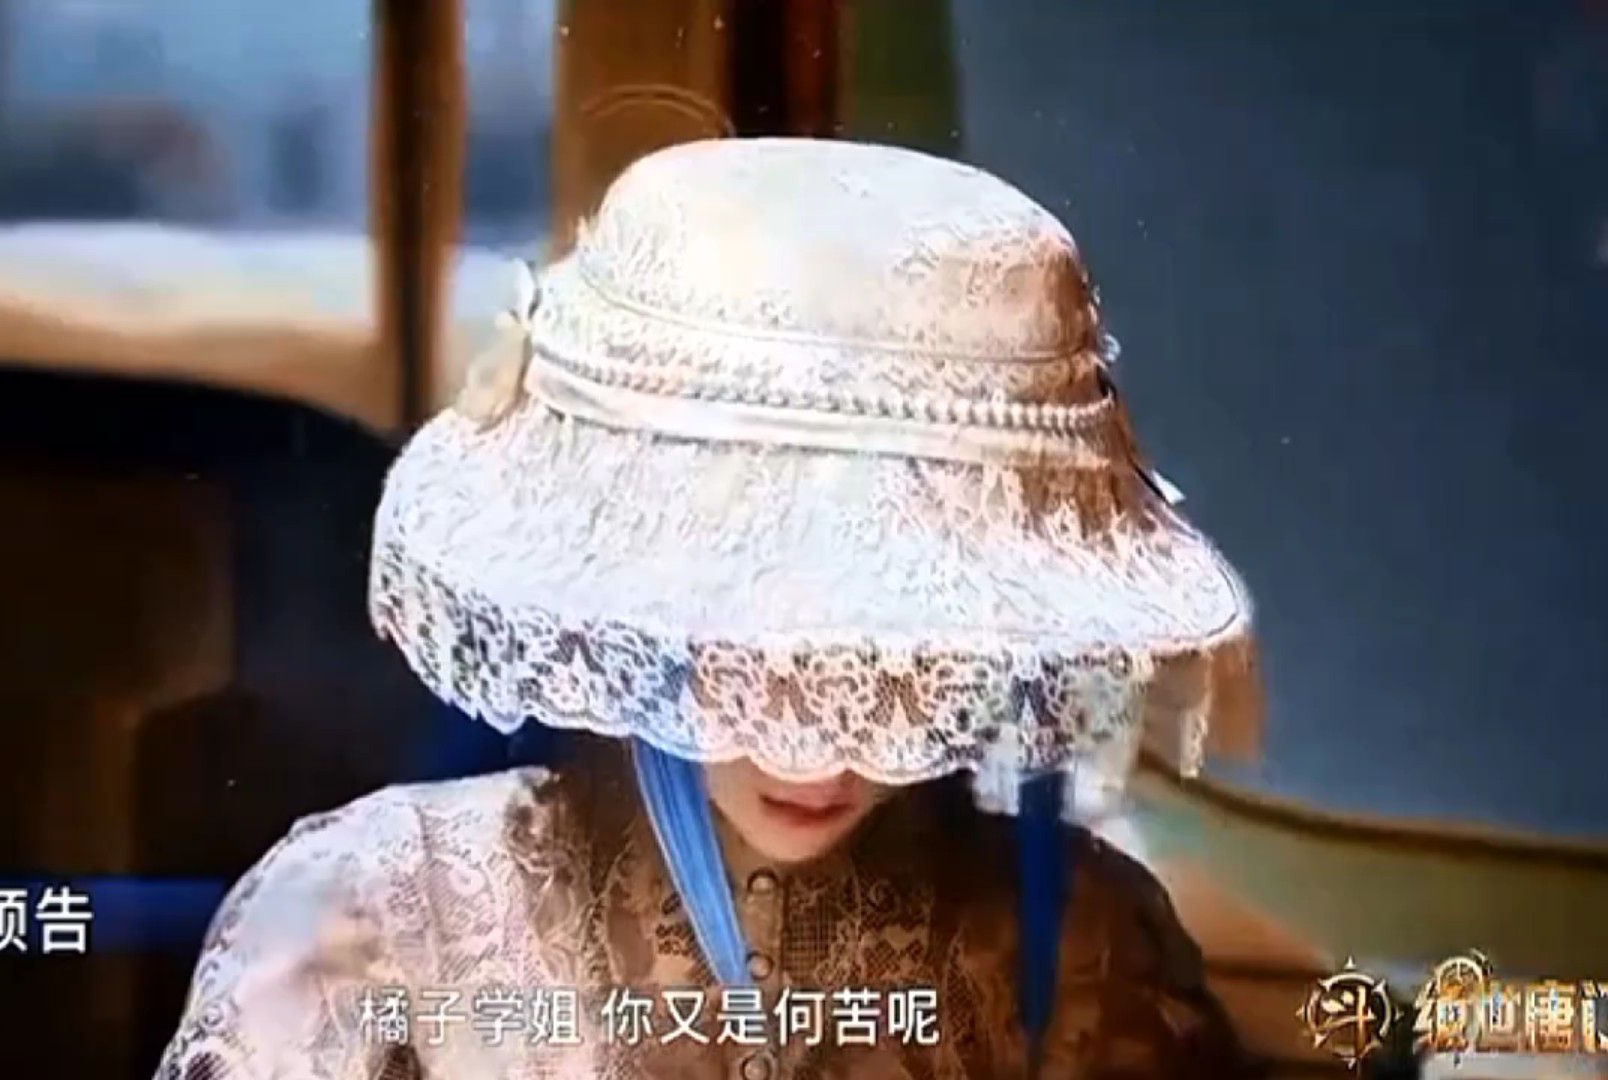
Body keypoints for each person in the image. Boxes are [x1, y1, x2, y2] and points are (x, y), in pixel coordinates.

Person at [155, 137, 1263, 1078]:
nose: (819, 736)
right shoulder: (379, 917)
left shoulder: (1078, 947)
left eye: (897, 655)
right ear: (643, 590)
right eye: (760, 639)